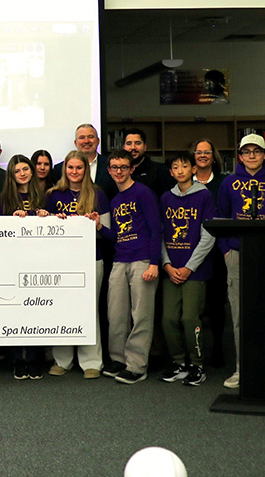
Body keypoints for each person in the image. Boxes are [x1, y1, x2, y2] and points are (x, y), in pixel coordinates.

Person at [217, 134, 265, 393]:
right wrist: (226, 251)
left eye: (256, 151)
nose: (251, 156)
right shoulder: (229, 183)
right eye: (246, 152)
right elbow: (222, 220)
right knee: (239, 317)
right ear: (239, 156)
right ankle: (242, 369)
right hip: (238, 256)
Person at [45, 150, 114, 379]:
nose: (74, 172)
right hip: (60, 262)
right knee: (62, 309)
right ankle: (62, 360)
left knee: (89, 309)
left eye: (79, 168)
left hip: (92, 259)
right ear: (65, 169)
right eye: (70, 167)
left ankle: (92, 361)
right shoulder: (53, 195)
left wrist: (96, 226)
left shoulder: (97, 194)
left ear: (86, 169)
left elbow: (109, 234)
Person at [158, 152, 216, 386]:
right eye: (175, 167)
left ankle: (197, 364)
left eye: (184, 166)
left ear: (193, 169)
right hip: (171, 269)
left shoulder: (204, 196)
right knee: (168, 318)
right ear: (171, 172)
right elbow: (160, 233)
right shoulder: (165, 198)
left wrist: (189, 267)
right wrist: (167, 264)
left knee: (190, 318)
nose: (180, 170)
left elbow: (209, 234)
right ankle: (179, 362)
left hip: (195, 271)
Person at [105, 149, 162, 384]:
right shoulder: (116, 200)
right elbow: (116, 236)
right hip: (120, 260)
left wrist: (155, 263)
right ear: (109, 171)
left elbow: (155, 228)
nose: (119, 171)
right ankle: (119, 360)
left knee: (141, 315)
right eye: (115, 167)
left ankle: (137, 366)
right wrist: (98, 227)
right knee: (116, 314)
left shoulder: (143, 193)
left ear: (132, 169)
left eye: (124, 167)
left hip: (143, 261)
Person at [0, 154, 48, 379]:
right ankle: (17, 360)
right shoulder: (1, 199)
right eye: (17, 171)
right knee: (14, 312)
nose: (22, 174)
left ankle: (34, 359)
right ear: (11, 175)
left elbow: (57, 224)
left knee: (35, 310)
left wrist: (44, 216)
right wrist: (11, 219)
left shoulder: (45, 196)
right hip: (10, 262)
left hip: (38, 261)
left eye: (26, 169)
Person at [192, 139, 229, 368]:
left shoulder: (224, 183)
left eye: (207, 152)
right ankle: (195, 350)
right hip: (190, 251)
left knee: (216, 303)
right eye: (198, 152)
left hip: (217, 252)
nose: (203, 155)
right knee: (195, 305)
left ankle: (217, 348)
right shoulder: (185, 181)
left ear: (213, 156)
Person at [53, 124, 114, 198]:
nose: (86, 141)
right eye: (82, 137)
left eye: (90, 137)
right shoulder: (59, 169)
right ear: (76, 143)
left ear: (98, 141)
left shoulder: (111, 166)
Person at [123, 128, 175, 197]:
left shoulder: (160, 171)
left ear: (145, 147)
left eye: (137, 143)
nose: (133, 147)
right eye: (129, 143)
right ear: (124, 147)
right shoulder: (118, 172)